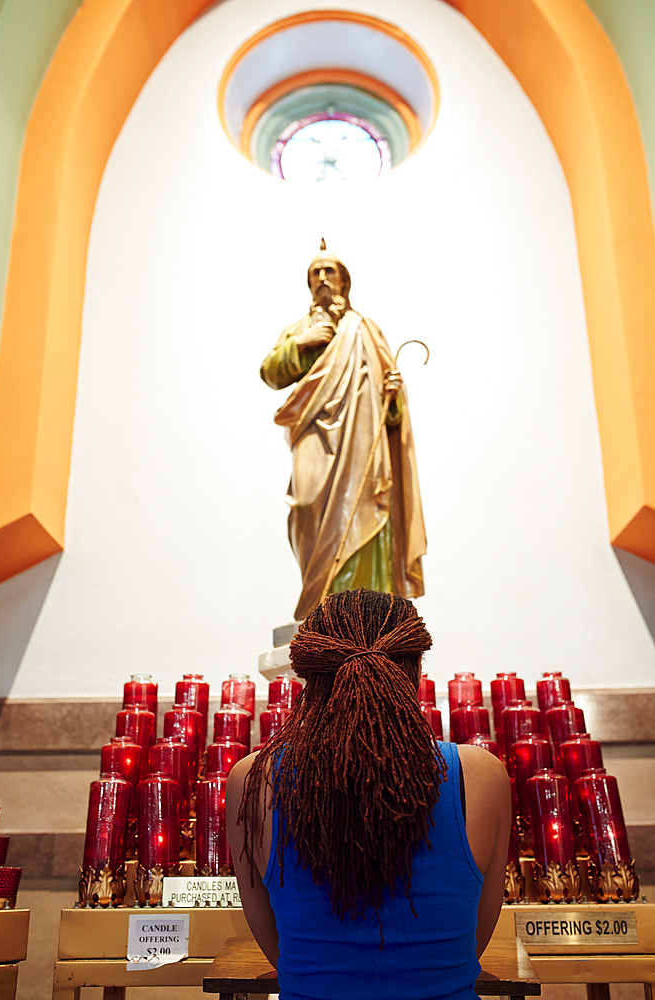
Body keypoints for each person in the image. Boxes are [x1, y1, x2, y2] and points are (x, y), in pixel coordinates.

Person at [226, 589, 511, 1000]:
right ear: (414, 672)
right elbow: (472, 941)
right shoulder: (481, 776)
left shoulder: (253, 779)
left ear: (310, 678)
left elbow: (278, 951)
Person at [260, 243, 426, 621]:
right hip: (314, 433)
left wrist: (394, 396)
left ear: (344, 281)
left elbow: (391, 403)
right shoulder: (298, 330)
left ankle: (367, 610)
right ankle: (320, 601)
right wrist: (301, 344)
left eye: (329, 271)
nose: (322, 278)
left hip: (363, 438)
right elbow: (270, 373)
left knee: (366, 507)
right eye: (315, 273)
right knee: (305, 508)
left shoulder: (365, 329)